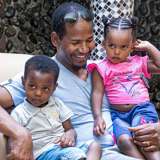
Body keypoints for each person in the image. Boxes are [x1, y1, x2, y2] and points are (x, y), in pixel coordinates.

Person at [0, 2, 159, 160]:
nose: (84, 49)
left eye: (89, 40)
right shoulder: (41, 76)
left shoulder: (104, 68)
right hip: (93, 154)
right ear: (56, 40)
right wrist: (19, 132)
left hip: (131, 146)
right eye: (75, 42)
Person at [88, 16, 160, 159]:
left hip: (142, 110)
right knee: (123, 141)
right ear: (103, 44)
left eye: (123, 47)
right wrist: (97, 117)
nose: (116, 52)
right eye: (112, 45)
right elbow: (97, 93)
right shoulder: (100, 67)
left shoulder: (139, 62)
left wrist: (149, 47)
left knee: (142, 136)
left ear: (133, 45)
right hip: (118, 115)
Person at [10, 55, 96, 160]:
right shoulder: (19, 113)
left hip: (63, 148)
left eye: (45, 88)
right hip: (43, 154)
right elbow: (14, 142)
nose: (38, 93)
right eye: (32, 86)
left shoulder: (57, 104)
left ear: (54, 88)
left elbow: (69, 129)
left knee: (95, 146)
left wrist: (70, 135)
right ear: (24, 82)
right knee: (72, 155)